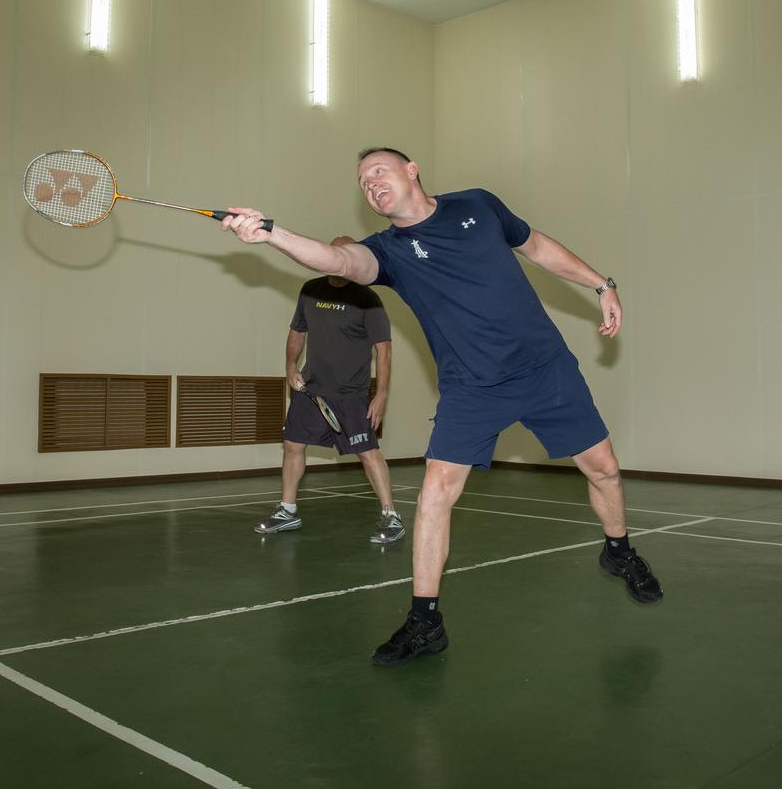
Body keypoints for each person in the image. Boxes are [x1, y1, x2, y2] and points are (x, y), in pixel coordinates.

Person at [220, 148, 663, 667]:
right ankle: (425, 620)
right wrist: (271, 233)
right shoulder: (388, 251)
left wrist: (601, 284)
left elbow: (536, 245)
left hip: (545, 369)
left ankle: (619, 550)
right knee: (435, 493)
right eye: (362, 181)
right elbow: (339, 260)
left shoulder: (478, 204)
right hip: (472, 386)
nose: (370, 183)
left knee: (605, 470)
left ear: (412, 170)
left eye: (378, 171)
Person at [254, 238, 403, 545]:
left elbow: (383, 351)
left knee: (367, 453)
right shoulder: (310, 290)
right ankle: (287, 510)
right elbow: (297, 332)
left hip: (351, 394)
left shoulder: (368, 298)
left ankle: (391, 515)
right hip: (311, 390)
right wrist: (291, 367)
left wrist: (382, 393)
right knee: (293, 445)